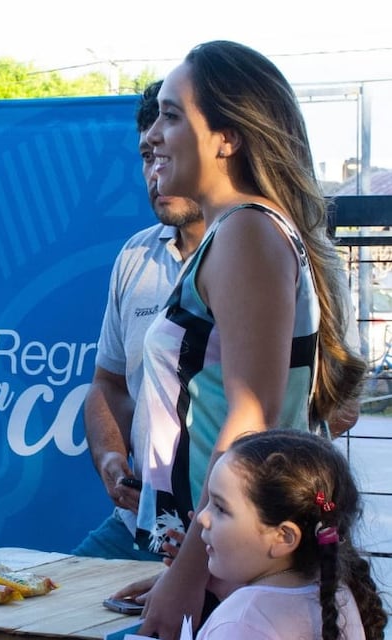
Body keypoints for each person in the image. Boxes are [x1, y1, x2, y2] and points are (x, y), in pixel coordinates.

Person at [132, 41, 366, 639]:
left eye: (172, 115)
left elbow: (250, 418)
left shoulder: (247, 233)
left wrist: (188, 577)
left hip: (238, 573)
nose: (151, 135)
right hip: (226, 566)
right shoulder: (242, 232)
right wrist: (186, 570)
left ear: (227, 137)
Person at [72, 80, 205, 561]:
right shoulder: (137, 254)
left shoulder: (269, 248)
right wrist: (110, 459)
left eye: (166, 154)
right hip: (141, 524)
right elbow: (107, 383)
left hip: (236, 535)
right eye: (147, 157)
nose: (156, 172)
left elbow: (333, 406)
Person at [195, 429, 387, 639]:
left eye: (221, 508)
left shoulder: (239, 623)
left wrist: (238, 609)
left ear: (284, 537)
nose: (202, 517)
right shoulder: (336, 593)